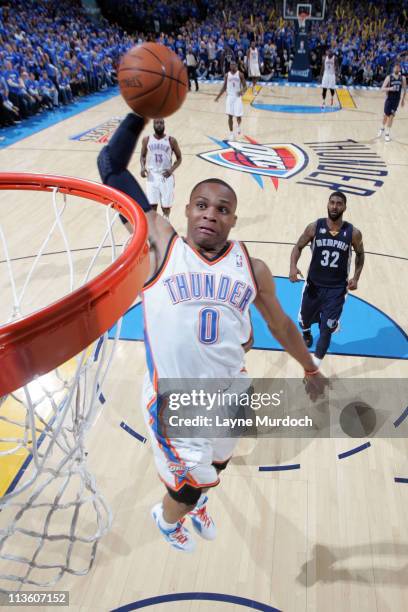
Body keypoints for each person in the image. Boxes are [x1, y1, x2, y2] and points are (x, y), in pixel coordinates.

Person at [97, 113, 327, 553]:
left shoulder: (251, 267)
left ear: (234, 220)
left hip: (232, 389)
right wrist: (140, 111)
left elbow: (279, 324)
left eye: (222, 210)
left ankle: (197, 502)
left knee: (219, 459)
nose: (210, 215)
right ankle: (168, 519)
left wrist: (308, 367)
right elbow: (110, 167)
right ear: (185, 209)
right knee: (187, 483)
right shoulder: (161, 244)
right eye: (202, 205)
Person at [289, 192, 365, 365]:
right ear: (327, 204)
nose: (334, 206)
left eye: (339, 203)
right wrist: (293, 267)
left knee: (326, 329)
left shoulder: (353, 233)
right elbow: (298, 246)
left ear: (344, 207)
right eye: (332, 202)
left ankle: (315, 367)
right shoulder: (314, 227)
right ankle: (307, 332)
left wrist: (356, 277)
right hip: (314, 285)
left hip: (337, 289)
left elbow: (361, 255)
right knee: (304, 320)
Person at [140, 118, 182, 218]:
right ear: (153, 125)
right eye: (157, 123)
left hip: (166, 176)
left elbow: (179, 158)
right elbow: (142, 156)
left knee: (166, 207)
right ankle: (155, 229)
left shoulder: (171, 140)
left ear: (164, 125)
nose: (159, 125)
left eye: (161, 123)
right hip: (152, 176)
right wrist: (142, 167)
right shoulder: (147, 139)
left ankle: (166, 224)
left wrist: (171, 170)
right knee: (152, 205)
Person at [215, 61, 247, 139]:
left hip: (237, 97)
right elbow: (224, 87)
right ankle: (231, 133)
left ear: (236, 65)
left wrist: (241, 91)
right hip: (230, 97)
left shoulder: (240, 74)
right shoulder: (227, 75)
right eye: (231, 65)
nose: (232, 66)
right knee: (230, 116)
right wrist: (218, 97)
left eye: (233, 65)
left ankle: (239, 126)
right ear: (229, 66)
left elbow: (245, 87)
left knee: (238, 116)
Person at [377, 62, 406, 142]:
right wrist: (390, 88)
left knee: (392, 116)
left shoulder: (402, 78)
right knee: (386, 116)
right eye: (395, 67)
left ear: (400, 69)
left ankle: (387, 133)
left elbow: (404, 89)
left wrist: (403, 99)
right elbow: (382, 89)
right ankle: (382, 128)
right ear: (393, 68)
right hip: (389, 99)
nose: (397, 69)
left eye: (398, 67)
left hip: (396, 100)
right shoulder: (389, 77)